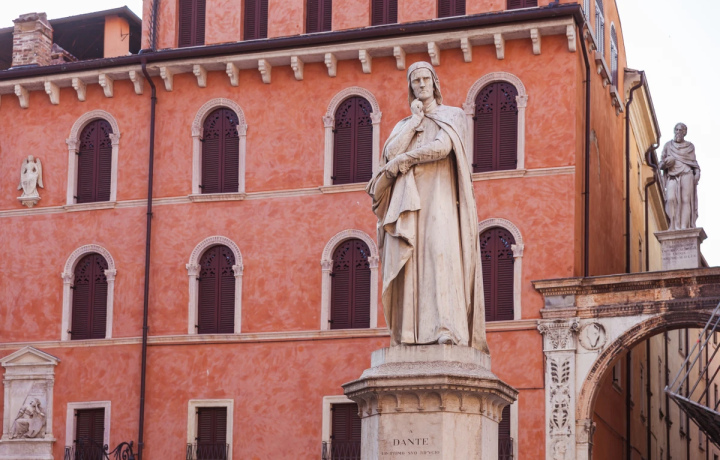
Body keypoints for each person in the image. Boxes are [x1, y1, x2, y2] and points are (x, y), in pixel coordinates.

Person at [366, 61, 488, 352]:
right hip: (409, 203)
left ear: (435, 83)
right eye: (415, 81)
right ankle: (409, 332)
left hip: (440, 199)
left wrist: (406, 159)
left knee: (440, 255)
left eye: (425, 79)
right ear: (410, 87)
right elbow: (390, 153)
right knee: (411, 261)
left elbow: (442, 147)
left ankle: (446, 328)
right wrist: (414, 123)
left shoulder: (452, 115)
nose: (421, 84)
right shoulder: (403, 125)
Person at [659, 123, 700, 230]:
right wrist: (666, 163)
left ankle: (683, 227)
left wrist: (697, 173)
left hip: (687, 173)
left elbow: (694, 163)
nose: (677, 132)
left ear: (684, 132)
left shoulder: (690, 146)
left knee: (686, 200)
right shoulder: (668, 145)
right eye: (676, 130)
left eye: (680, 130)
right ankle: (672, 225)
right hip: (672, 176)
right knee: (670, 199)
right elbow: (661, 164)